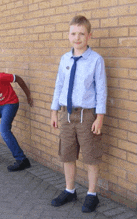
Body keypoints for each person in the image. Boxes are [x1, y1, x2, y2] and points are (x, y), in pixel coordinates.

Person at [50, 15, 107, 213]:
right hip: (66, 114)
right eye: (74, 33)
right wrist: (54, 111)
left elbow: (101, 90)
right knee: (67, 155)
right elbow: (59, 85)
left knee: (90, 156)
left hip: (87, 116)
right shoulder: (64, 59)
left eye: (82, 34)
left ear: (89, 36)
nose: (77, 37)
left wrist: (99, 117)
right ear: (68, 35)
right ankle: (69, 190)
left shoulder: (96, 60)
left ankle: (92, 194)